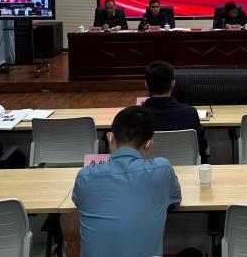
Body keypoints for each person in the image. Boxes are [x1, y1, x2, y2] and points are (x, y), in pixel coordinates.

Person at [73, 106, 181, 257]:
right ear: (148, 144)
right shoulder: (163, 170)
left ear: (110, 138)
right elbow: (176, 200)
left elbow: (79, 202)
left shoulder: (84, 177)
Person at [141, 61, 209, 162]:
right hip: (186, 168)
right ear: (173, 83)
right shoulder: (190, 113)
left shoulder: (136, 116)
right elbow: (201, 147)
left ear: (146, 85)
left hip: (149, 169)